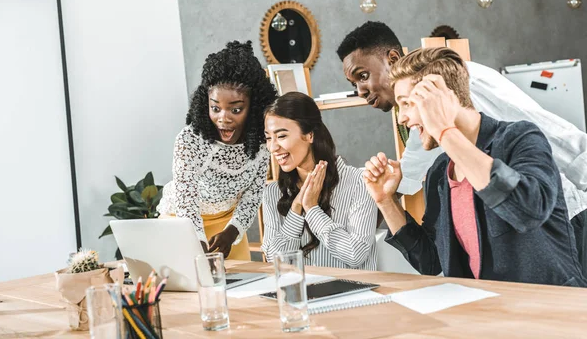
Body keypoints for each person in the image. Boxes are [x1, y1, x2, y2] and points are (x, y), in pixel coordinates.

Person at [337, 21, 587, 274]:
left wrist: (444, 130)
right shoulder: (440, 167)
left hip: (562, 218)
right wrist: (383, 200)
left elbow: (547, 134)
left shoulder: (465, 86)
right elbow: (430, 258)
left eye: (363, 75)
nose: (360, 91)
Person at [156, 41, 277, 260]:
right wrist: (199, 247)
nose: (223, 118)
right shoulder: (190, 140)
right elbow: (186, 200)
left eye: (236, 109)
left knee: (241, 292)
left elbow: (253, 194)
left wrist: (231, 234)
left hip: (227, 228)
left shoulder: (261, 142)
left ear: (255, 106)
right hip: (182, 224)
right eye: (215, 108)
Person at [261, 92, 377, 270]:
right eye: (269, 138)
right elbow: (276, 262)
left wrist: (312, 209)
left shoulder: (359, 182)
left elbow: (356, 255)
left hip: (350, 294)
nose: (273, 147)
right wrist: (296, 208)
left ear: (309, 135)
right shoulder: (272, 193)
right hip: (299, 293)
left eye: (282, 136)